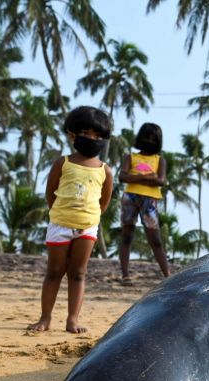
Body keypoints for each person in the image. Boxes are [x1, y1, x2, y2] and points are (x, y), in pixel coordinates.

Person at [28, 106, 114, 333]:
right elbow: (51, 193)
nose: (92, 139)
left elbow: (104, 202)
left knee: (78, 273)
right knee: (54, 271)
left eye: (98, 135)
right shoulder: (62, 163)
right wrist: (61, 214)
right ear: (72, 134)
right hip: (60, 224)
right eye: (86, 133)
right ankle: (45, 318)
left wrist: (90, 219)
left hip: (87, 227)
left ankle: (72, 319)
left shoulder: (106, 170)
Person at [118, 123, 170, 285]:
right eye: (147, 137)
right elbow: (122, 177)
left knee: (155, 239)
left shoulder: (160, 160)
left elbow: (160, 181)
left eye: (153, 138)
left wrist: (136, 177)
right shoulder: (131, 157)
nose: (149, 140)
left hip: (150, 200)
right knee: (127, 235)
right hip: (130, 198)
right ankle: (125, 275)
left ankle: (167, 275)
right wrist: (147, 178)